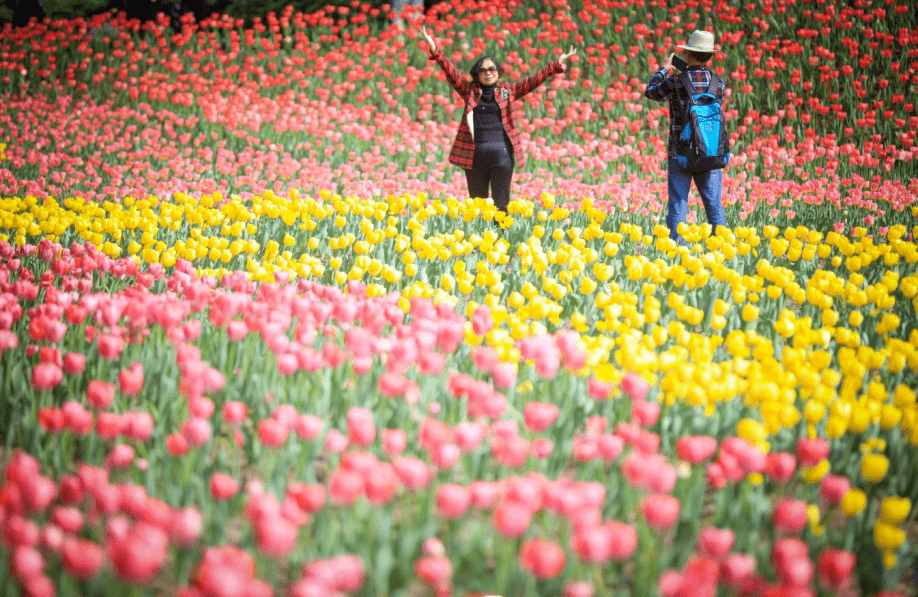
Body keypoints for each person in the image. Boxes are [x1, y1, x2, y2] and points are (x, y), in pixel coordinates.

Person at [419, 26, 575, 215]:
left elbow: (533, 81)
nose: (488, 72)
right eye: (483, 70)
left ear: (498, 73)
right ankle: (480, 242)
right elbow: (451, 73)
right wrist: (436, 51)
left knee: (501, 205)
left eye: (492, 69)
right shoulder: (469, 91)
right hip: (475, 157)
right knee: (478, 207)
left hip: (502, 155)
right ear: (477, 75)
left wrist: (555, 65)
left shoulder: (507, 92)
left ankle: (500, 241)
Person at [645, 30, 727, 242]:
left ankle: (676, 252)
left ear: (688, 54)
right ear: (709, 56)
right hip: (710, 152)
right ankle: (723, 249)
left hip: (679, 153)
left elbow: (651, 91)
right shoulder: (719, 84)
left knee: (678, 204)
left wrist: (665, 68)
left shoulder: (676, 81)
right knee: (714, 206)